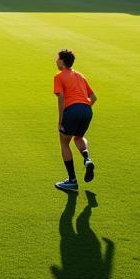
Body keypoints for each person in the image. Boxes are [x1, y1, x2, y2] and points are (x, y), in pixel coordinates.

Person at [53, 49, 97, 192]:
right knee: (79, 137)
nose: (55, 60)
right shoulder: (80, 75)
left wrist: (61, 119)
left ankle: (72, 181)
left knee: (64, 142)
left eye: (57, 58)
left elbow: (61, 97)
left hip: (72, 111)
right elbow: (94, 97)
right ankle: (87, 159)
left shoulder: (59, 76)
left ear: (62, 62)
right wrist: (82, 107)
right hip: (87, 110)